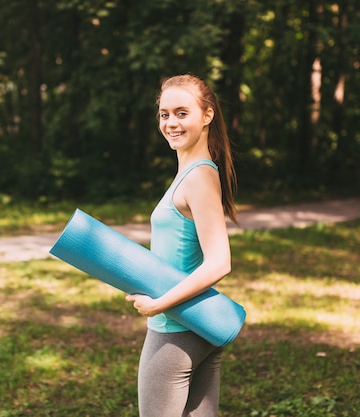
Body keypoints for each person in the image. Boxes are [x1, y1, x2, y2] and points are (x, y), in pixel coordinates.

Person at [125, 74, 238, 417]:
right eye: (164, 114)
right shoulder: (193, 172)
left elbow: (219, 262)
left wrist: (159, 304)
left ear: (207, 115)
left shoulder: (200, 177)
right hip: (199, 325)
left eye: (181, 113)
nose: (171, 122)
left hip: (176, 330)